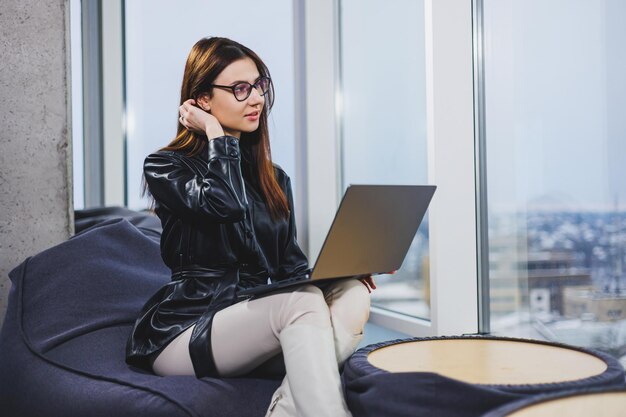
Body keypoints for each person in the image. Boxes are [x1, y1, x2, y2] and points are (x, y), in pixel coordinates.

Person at [125, 37, 377, 417]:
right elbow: (224, 203)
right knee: (301, 302)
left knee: (353, 292)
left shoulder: (275, 179)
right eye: (240, 89)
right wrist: (214, 132)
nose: (256, 98)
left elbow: (290, 268)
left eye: (259, 86)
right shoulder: (166, 166)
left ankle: (288, 408)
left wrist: (337, 274)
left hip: (254, 330)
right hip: (187, 331)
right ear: (202, 99)